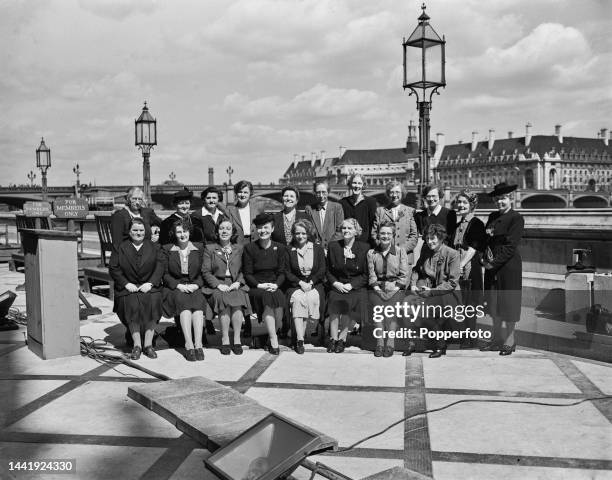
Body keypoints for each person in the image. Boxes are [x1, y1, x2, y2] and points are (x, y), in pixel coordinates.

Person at [109, 218, 165, 360]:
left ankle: (148, 345)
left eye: (141, 230)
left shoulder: (154, 247)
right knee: (132, 304)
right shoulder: (120, 247)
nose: (138, 233)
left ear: (145, 232)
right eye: (135, 230)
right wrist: (126, 283)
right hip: (128, 287)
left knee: (153, 301)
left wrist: (151, 283)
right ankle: (137, 345)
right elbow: (113, 268)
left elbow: (160, 266)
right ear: (129, 231)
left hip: (149, 286)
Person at [481, 182, 524, 356]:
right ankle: (496, 337)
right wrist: (483, 258)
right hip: (491, 265)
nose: (500, 202)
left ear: (511, 198)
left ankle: (510, 339)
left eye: (504, 198)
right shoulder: (492, 216)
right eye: (498, 199)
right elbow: (487, 240)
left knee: (509, 303)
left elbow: (510, 246)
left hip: (508, 266)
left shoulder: (516, 218)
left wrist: (493, 263)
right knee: (493, 302)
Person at [407, 224, 461, 358]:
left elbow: (452, 283)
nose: (429, 242)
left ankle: (440, 345)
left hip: (446, 294)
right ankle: (412, 343)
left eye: (433, 239)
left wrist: (432, 291)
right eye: (427, 238)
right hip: (427, 290)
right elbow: (416, 269)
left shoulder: (452, 254)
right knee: (407, 303)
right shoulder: (426, 250)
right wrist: (413, 284)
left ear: (441, 238)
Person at [202, 219, 252, 355]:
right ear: (217, 231)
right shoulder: (210, 248)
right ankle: (225, 339)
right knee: (223, 300)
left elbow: (245, 269)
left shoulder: (239, 248)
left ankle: (236, 339)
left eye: (228, 229)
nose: (224, 231)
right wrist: (218, 285)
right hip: (217, 284)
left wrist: (238, 282)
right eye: (221, 228)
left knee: (238, 300)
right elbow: (205, 271)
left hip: (235, 283)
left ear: (232, 232)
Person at [242, 213, 287, 354]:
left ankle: (270, 335)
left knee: (278, 305)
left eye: (266, 227)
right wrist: (259, 285)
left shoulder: (280, 248)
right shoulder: (250, 248)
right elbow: (247, 273)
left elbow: (282, 272)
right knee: (267, 299)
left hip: (274, 285)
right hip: (257, 287)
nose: (263, 231)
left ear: (272, 229)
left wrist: (276, 285)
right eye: (260, 228)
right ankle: (274, 340)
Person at [162, 219, 206, 362]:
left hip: (193, 284)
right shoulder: (167, 249)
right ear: (174, 234)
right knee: (184, 306)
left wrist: (197, 285)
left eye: (185, 231)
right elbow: (165, 273)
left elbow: (203, 272)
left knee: (198, 307)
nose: (182, 235)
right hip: (176, 286)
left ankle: (199, 344)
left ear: (189, 232)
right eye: (179, 232)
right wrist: (178, 285)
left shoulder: (199, 248)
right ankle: (189, 344)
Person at [367, 221, 411, 357]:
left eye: (388, 233)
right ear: (378, 235)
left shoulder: (400, 251)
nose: (385, 236)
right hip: (377, 289)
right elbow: (371, 275)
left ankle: (390, 344)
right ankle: (380, 343)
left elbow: (404, 275)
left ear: (393, 235)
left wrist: (392, 292)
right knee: (378, 313)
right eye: (382, 233)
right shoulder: (371, 253)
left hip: (396, 288)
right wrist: (379, 291)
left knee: (391, 313)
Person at [326, 218, 369, 353]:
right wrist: (335, 283)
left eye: (350, 228)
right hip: (338, 284)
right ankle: (333, 338)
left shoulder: (364, 248)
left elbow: (365, 274)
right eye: (344, 228)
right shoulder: (333, 246)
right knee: (334, 300)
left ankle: (342, 339)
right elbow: (328, 270)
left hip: (354, 286)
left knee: (348, 302)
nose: (346, 231)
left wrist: (351, 285)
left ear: (356, 231)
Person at [284, 219, 326, 354]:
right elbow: (286, 271)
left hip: (314, 283)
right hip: (296, 284)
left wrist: (311, 282)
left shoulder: (317, 248)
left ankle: (301, 333)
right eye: (297, 233)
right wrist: (300, 283)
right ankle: (300, 339)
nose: (300, 236)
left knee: (311, 299)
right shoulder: (289, 249)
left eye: (303, 233)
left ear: (308, 233)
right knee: (297, 300)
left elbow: (321, 269)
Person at [452, 189, 487, 348]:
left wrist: (460, 265)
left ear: (472, 205)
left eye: (464, 202)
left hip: (470, 268)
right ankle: (464, 336)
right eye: (459, 202)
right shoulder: (458, 224)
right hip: (458, 267)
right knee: (461, 303)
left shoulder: (477, 223)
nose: (461, 205)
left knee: (470, 305)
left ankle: (469, 338)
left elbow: (473, 249)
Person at [372, 181, 418, 269]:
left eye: (397, 192)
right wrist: (386, 249)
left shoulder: (410, 211)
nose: (394, 195)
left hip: (405, 258)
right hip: (384, 257)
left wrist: (400, 251)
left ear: (402, 194)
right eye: (391, 192)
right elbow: (374, 234)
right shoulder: (380, 211)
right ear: (388, 194)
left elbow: (414, 236)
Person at [110, 186, 162, 251]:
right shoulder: (119, 216)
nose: (137, 202)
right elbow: (117, 242)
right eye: (134, 199)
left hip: (147, 249)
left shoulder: (147, 212)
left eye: (139, 199)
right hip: (128, 251)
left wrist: (158, 234)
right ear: (129, 199)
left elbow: (164, 224)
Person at [304, 180, 344, 252]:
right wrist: (317, 245)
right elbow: (308, 230)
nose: (321, 195)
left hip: (333, 249)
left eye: (324, 192)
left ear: (328, 192)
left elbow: (340, 230)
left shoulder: (337, 207)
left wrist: (328, 246)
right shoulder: (309, 209)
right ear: (315, 193)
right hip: (315, 249)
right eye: (318, 192)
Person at [339, 174, 377, 246]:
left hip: (366, 244)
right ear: (350, 184)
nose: (357, 186)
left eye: (359, 183)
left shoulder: (371, 202)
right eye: (354, 183)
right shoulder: (342, 203)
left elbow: (373, 225)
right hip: (347, 243)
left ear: (363, 185)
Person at [225, 180, 263, 245]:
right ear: (236, 194)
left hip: (255, 245)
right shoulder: (229, 211)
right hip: (236, 246)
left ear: (250, 194)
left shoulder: (258, 209)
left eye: (245, 192)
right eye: (240, 192)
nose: (242, 195)